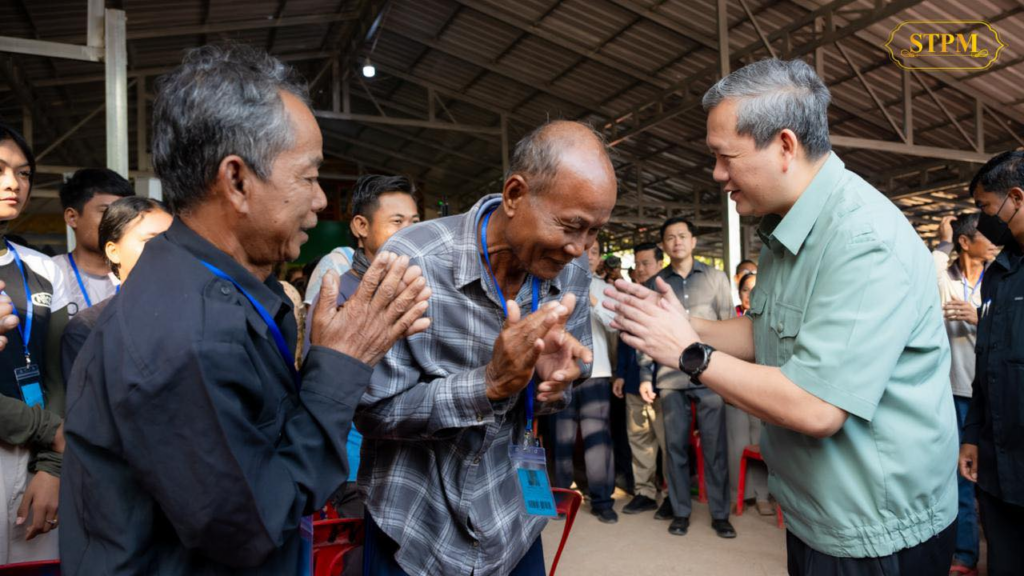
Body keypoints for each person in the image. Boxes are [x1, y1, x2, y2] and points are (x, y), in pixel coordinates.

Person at [59, 44, 431, 575]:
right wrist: (340, 366)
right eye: (307, 177)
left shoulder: (221, 292)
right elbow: (255, 525)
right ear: (236, 181)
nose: (322, 200)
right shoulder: (187, 333)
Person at [604, 58, 957, 575]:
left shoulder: (862, 241)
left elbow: (817, 408)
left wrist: (688, 352)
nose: (717, 174)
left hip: (875, 531)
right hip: (818, 511)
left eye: (725, 157)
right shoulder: (786, 226)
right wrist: (682, 322)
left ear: (785, 146)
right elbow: (765, 330)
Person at [355, 120, 610, 576]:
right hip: (414, 527)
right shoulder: (413, 262)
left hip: (511, 519)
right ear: (514, 194)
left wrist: (550, 386)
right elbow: (370, 411)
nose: (580, 248)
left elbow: (567, 385)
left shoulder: (570, 273)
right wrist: (488, 384)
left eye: (594, 232)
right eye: (572, 226)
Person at [303, 174, 421, 522]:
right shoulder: (336, 293)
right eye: (397, 222)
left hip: (415, 462)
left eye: (415, 222)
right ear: (361, 226)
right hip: (356, 468)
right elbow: (319, 384)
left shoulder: (420, 289)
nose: (410, 232)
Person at [638, 216, 736, 538]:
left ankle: (720, 513)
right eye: (670, 237)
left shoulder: (716, 278)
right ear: (663, 246)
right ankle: (681, 511)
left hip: (711, 377)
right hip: (670, 377)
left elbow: (728, 327)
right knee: (676, 448)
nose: (677, 241)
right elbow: (646, 331)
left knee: (714, 447)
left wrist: (731, 377)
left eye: (682, 236)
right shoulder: (654, 284)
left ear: (693, 241)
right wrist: (643, 374)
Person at [0, 122, 71, 563]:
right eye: (1, 169)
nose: (14, 183)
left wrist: (52, 468)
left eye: (24, 173)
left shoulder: (44, 269)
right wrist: (50, 431)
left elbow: (57, 371)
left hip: (34, 464)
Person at [960, 150, 1024, 576]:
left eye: (986, 207)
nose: (983, 220)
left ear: (1016, 198)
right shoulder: (999, 274)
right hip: (999, 462)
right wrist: (972, 435)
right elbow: (988, 367)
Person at [933, 213, 996, 576]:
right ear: (965, 242)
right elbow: (930, 271)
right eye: (984, 236)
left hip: (991, 391)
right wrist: (942, 241)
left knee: (995, 476)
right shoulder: (948, 282)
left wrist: (979, 318)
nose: (993, 241)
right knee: (961, 476)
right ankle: (965, 556)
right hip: (957, 392)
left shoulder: (998, 278)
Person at [60, 197, 173, 381]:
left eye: (171, 240)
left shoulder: (200, 312)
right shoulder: (87, 328)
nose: (167, 250)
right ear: (113, 251)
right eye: (152, 240)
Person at [552, 240, 617, 523]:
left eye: (592, 252)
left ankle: (602, 500)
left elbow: (616, 324)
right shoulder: (554, 284)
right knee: (561, 440)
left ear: (599, 257)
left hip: (597, 372)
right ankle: (559, 498)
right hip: (561, 372)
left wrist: (594, 301)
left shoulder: (606, 289)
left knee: (598, 442)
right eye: (582, 250)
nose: (586, 256)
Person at [616, 242, 667, 515]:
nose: (641, 269)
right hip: (635, 381)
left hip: (666, 382)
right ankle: (645, 491)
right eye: (638, 264)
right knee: (640, 440)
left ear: (660, 264)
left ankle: (672, 494)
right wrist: (621, 374)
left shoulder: (667, 296)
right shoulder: (631, 299)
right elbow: (624, 340)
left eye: (646, 263)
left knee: (669, 442)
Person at [52, 169, 134, 318]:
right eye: (106, 212)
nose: (118, 221)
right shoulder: (48, 274)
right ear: (72, 217)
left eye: (125, 214)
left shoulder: (139, 275)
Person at [725, 271, 772, 516]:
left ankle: (763, 495)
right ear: (740, 292)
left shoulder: (770, 318)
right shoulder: (731, 317)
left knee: (761, 442)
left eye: (755, 289)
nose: (750, 295)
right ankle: (738, 494)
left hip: (762, 390)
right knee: (736, 441)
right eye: (746, 290)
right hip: (733, 390)